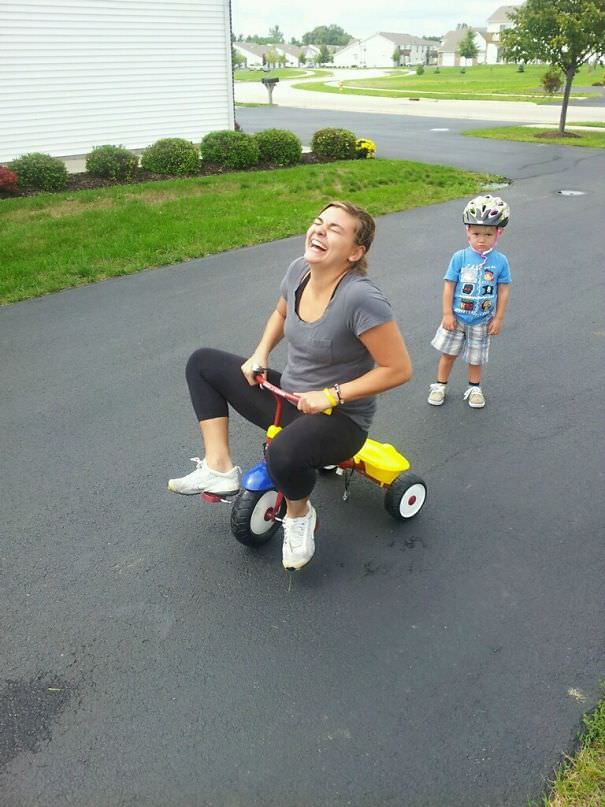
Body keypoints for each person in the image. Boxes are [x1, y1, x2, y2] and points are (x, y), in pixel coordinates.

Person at [168, 200, 412, 570]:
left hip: (341, 420)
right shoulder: (298, 271)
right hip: (292, 397)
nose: (319, 230)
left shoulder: (361, 298)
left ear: (355, 252)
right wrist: (260, 353)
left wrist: (332, 394)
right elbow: (282, 313)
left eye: (334, 229)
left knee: (282, 451)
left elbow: (398, 369)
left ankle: (299, 516)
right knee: (202, 363)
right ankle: (219, 467)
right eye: (318, 222)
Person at [427, 194, 511, 409]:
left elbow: (503, 290)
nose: (481, 239)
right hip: (456, 317)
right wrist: (447, 313)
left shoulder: (500, 261)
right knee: (448, 354)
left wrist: (498, 318)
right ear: (467, 232)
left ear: (498, 233)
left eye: (488, 234)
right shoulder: (460, 257)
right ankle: (440, 385)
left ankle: (474, 387)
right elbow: (449, 285)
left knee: (476, 358)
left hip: (482, 319)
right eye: (476, 234)